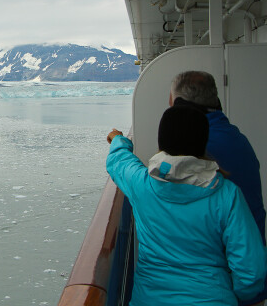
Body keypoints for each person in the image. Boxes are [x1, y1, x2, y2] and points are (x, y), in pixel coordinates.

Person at [106, 105, 266, 306]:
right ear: (203, 142)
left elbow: (119, 161)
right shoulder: (226, 194)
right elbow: (251, 271)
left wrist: (118, 139)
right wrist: (231, 294)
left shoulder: (142, 185)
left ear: (161, 140)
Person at [170, 70, 266, 306]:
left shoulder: (200, 147)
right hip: (248, 276)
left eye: (171, 99)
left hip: (227, 283)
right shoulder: (235, 137)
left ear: (180, 104)